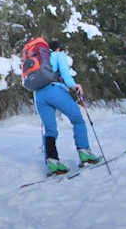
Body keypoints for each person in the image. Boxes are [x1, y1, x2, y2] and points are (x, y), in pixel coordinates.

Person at [31, 40, 102, 175]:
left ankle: (52, 161)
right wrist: (74, 86)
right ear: (58, 49)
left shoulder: (37, 59)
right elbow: (65, 73)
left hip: (39, 95)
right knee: (77, 120)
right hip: (54, 90)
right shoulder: (58, 56)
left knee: (50, 129)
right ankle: (84, 153)